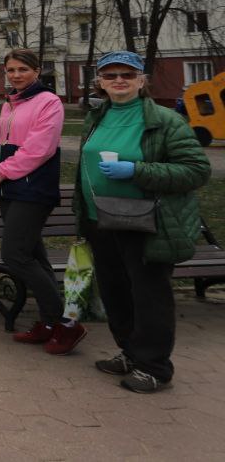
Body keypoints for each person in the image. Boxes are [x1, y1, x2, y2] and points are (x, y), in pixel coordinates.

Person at [77, 50, 209, 393]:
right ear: (100, 83)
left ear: (141, 80)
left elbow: (195, 170)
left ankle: (154, 366)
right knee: (116, 292)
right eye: (110, 76)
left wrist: (137, 171)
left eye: (127, 75)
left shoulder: (164, 120)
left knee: (149, 295)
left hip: (146, 221)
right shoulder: (98, 116)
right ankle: (130, 351)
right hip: (101, 219)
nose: (118, 81)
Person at [0, 48, 79, 352]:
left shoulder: (48, 102)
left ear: (36, 71)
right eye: (10, 70)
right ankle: (49, 323)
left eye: (22, 69)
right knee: (34, 255)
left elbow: (40, 148)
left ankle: (66, 323)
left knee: (14, 254)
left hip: (33, 188)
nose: (15, 75)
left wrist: (2, 173)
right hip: (10, 188)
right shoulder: (10, 103)